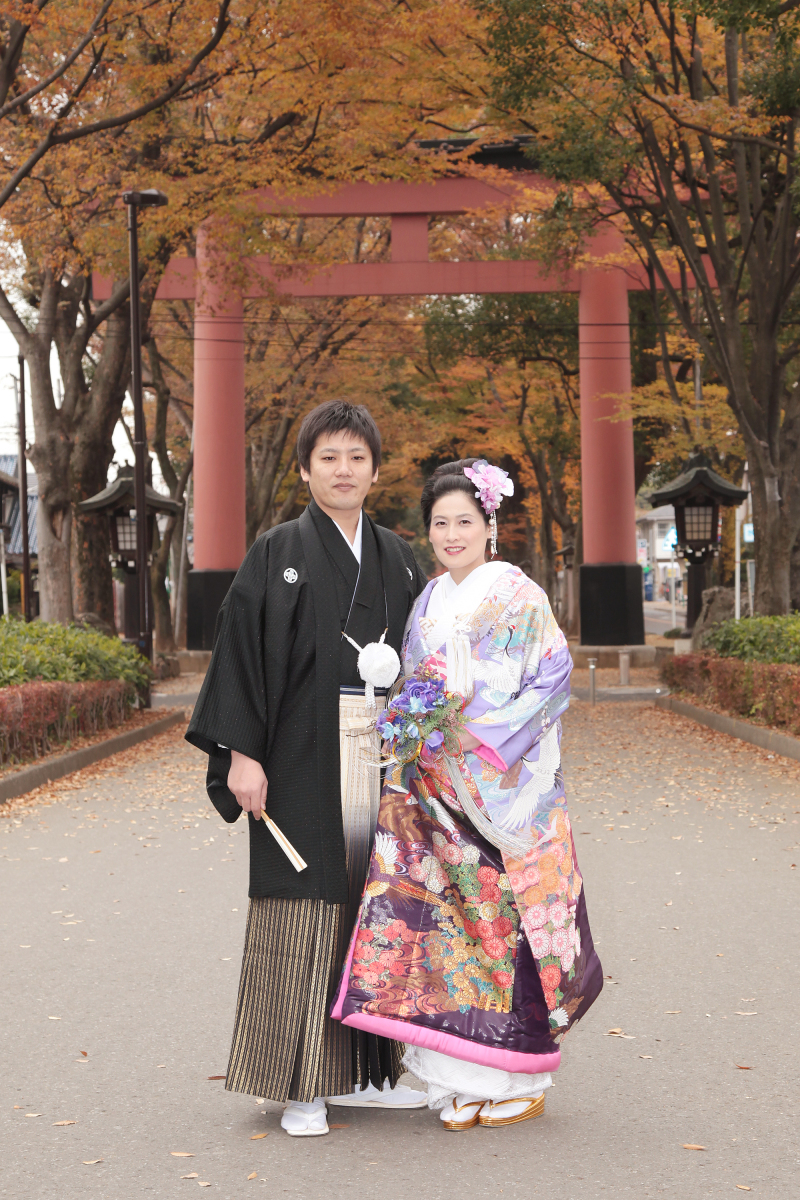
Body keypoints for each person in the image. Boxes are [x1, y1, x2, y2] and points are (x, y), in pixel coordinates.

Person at [332, 459, 603, 1130]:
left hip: (501, 789)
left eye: (464, 522)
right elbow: (419, 682)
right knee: (445, 927)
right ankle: (455, 1074)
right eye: (439, 523)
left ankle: (518, 1071)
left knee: (500, 925)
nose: (451, 534)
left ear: (490, 527)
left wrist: (482, 735)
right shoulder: (428, 600)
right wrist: (410, 714)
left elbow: (552, 678)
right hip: (434, 791)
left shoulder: (517, 594)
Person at [186, 401, 429, 1137]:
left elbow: (429, 663)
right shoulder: (277, 551)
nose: (344, 469)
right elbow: (241, 653)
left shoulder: (399, 556)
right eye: (329, 457)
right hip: (297, 756)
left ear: (376, 470)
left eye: (357, 457)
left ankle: (370, 1070)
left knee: (376, 904)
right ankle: (301, 1086)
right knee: (304, 902)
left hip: (382, 757)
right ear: (306, 468)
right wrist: (242, 754)